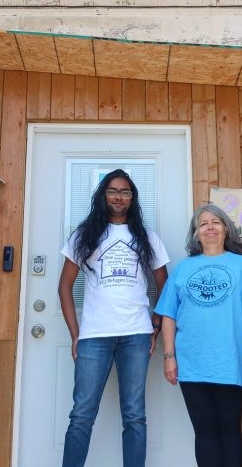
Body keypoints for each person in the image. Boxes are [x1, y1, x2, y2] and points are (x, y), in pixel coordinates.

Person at [155, 204, 242, 467]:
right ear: (195, 234)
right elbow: (168, 315)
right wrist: (169, 356)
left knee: (229, 430)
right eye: (203, 223)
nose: (209, 227)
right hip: (191, 361)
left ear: (226, 229)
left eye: (215, 222)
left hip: (229, 358)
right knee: (204, 432)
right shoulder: (183, 269)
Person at [59, 169, 169, 467]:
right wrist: (75, 335)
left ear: (132, 198)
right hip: (94, 337)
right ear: (102, 195)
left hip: (136, 334)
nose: (119, 197)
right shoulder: (85, 235)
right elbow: (64, 286)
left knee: (134, 415)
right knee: (81, 414)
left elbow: (165, 288)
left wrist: (155, 328)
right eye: (112, 191)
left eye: (125, 192)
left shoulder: (146, 237)